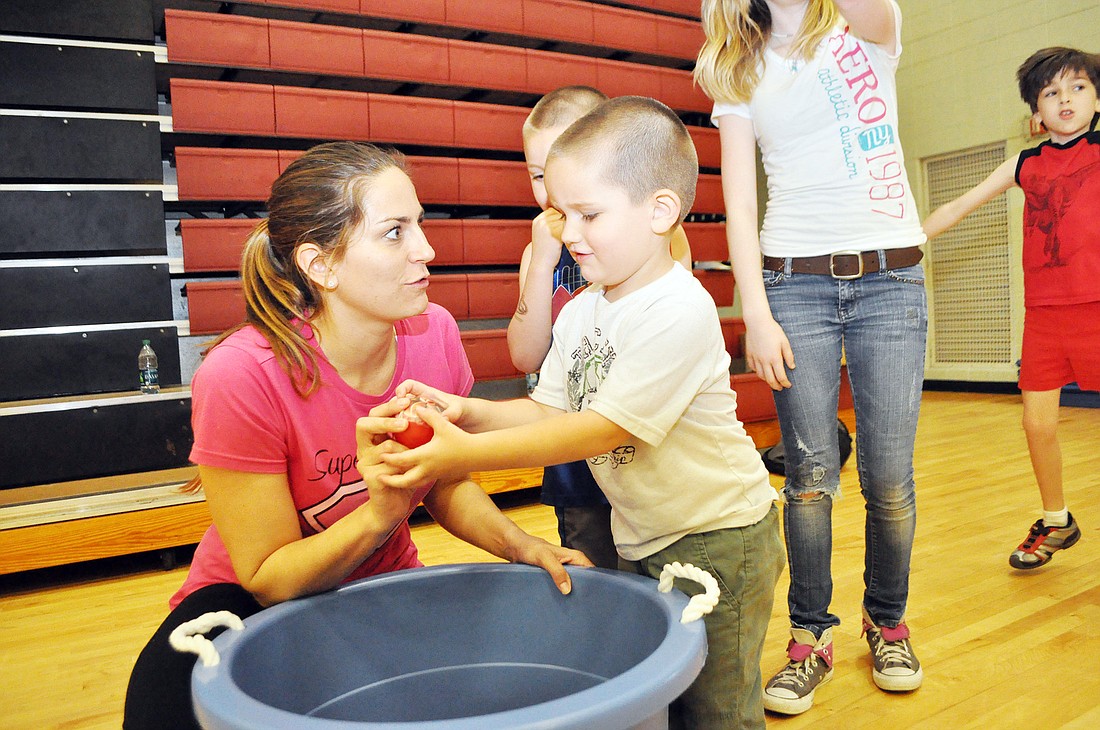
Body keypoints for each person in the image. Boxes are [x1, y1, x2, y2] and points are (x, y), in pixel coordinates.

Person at [122, 141, 592, 730]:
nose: (428, 249)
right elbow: (270, 578)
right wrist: (379, 514)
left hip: (381, 585)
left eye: (420, 224)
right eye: (395, 232)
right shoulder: (240, 375)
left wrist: (521, 544)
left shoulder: (434, 334)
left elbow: (445, 483)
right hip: (247, 600)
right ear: (322, 265)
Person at [371, 96, 785, 730]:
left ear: (660, 212)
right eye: (563, 214)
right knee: (658, 690)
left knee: (716, 710)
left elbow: (599, 429)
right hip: (644, 533)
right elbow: (547, 411)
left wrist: (463, 454)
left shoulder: (678, 308)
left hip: (719, 539)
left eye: (589, 214)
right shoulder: (584, 309)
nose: (567, 234)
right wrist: (466, 412)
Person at [695, 0, 928, 715]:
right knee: (810, 478)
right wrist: (754, 313)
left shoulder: (866, 24)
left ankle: (887, 623)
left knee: (888, 478)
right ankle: (810, 635)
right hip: (794, 285)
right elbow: (738, 200)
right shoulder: (735, 62)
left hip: (892, 280)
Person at [923, 47, 1099, 570]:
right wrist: (901, 241)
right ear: (1035, 114)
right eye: (1051, 92)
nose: (1065, 99)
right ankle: (1057, 519)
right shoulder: (1026, 162)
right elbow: (958, 206)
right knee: (1037, 424)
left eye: (1078, 87)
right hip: (1045, 314)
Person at [509, 85, 693, 570]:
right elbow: (525, 357)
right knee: (589, 557)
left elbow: (674, 331)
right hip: (565, 430)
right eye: (538, 175)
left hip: (637, 435)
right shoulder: (543, 248)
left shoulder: (656, 236)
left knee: (652, 562)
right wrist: (542, 262)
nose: (551, 191)